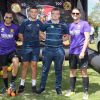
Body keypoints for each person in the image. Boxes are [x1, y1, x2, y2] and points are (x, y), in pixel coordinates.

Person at [36, 8, 69, 95]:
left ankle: (58, 88)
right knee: (45, 70)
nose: (55, 15)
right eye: (53, 14)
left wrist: (61, 40)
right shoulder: (46, 23)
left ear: (59, 15)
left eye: (57, 14)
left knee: (58, 70)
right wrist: (44, 38)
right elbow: (40, 32)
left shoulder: (63, 25)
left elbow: (67, 36)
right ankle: (42, 87)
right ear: (51, 14)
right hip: (48, 50)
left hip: (58, 50)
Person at [65, 8, 90, 100]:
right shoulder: (70, 25)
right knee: (72, 71)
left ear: (79, 14)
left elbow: (87, 38)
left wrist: (83, 51)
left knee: (83, 71)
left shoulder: (85, 24)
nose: (75, 14)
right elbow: (69, 38)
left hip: (81, 52)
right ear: (71, 14)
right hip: (72, 52)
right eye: (73, 13)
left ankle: (85, 92)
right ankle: (72, 90)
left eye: (77, 13)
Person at [18, 6, 43, 93]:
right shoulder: (24, 22)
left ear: (37, 13)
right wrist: (25, 43)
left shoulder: (40, 23)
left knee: (34, 65)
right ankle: (22, 84)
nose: (33, 13)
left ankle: (33, 85)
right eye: (32, 12)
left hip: (36, 48)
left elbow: (42, 35)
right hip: (26, 47)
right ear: (29, 13)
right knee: (24, 65)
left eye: (35, 12)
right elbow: (20, 34)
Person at [0, 11, 19, 94]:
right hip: (2, 52)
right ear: (4, 17)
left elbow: (16, 37)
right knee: (4, 70)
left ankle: (12, 83)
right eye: (6, 17)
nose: (8, 19)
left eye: (10, 17)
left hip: (12, 50)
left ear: (12, 19)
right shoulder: (0, 26)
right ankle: (6, 87)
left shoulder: (15, 27)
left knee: (16, 62)